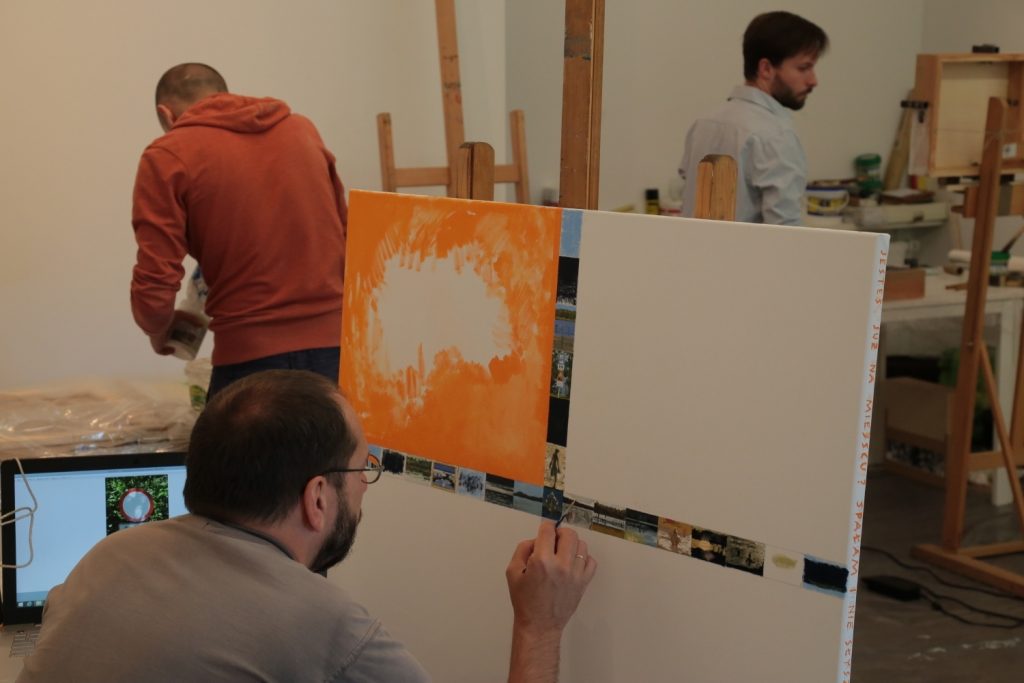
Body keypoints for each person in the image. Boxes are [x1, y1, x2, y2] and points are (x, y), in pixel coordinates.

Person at [19, 370, 597, 682]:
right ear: (317, 497)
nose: (365, 487)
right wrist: (539, 626)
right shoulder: (325, 627)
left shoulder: (107, 557)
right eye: (361, 469)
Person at [130, 63, 348, 398]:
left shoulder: (168, 154)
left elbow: (155, 278)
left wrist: (157, 328)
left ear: (166, 113)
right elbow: (346, 232)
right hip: (337, 351)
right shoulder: (302, 130)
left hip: (251, 355)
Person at [678, 11, 829, 225]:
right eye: (803, 68)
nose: (813, 81)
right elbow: (785, 230)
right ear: (766, 68)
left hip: (694, 246)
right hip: (747, 249)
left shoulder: (703, 124)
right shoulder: (776, 136)